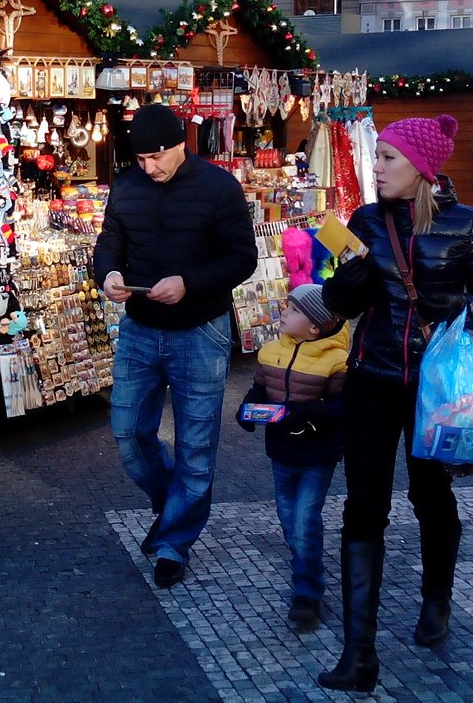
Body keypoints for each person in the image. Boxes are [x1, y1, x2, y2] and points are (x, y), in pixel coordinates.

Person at [317, 115, 473, 693]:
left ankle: (436, 599)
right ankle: (359, 654)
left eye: (388, 159)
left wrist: (459, 310)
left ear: (421, 168)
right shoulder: (364, 221)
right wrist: (349, 280)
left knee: (431, 496)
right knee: (363, 508)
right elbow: (339, 304)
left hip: (436, 388)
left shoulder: (467, 224)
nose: (376, 168)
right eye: (377, 157)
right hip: (372, 379)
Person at [94, 104, 257, 589]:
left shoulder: (219, 187)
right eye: (140, 159)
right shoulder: (126, 186)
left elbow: (242, 258)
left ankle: (173, 543)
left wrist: (189, 282)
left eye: (156, 157)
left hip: (201, 331)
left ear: (180, 145)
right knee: (128, 432)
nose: (149, 167)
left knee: (197, 445)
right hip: (141, 328)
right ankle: (174, 505)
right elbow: (109, 242)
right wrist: (109, 273)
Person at [236, 284, 348, 632]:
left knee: (304, 519)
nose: (283, 312)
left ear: (315, 326)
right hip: (281, 453)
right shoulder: (270, 352)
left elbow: (341, 408)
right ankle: (306, 564)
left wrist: (306, 412)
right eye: (287, 306)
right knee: (289, 520)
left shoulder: (336, 361)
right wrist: (248, 409)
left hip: (317, 455)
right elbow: (260, 388)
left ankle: (307, 592)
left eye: (294, 309)